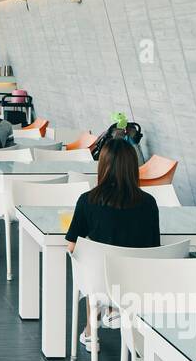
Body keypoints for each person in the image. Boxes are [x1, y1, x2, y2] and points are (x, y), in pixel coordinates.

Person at [65, 139, 160, 349]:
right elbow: (154, 248)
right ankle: (117, 314)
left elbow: (71, 247)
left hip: (100, 285)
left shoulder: (87, 200)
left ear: (103, 166)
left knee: (91, 263)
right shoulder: (149, 203)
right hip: (137, 286)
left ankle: (91, 333)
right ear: (132, 168)